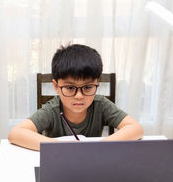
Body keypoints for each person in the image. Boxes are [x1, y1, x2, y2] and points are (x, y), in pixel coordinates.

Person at [8, 44, 143, 151]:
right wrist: (61, 147)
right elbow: (15, 134)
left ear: (97, 84)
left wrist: (101, 146)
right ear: (56, 86)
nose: (79, 96)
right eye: (70, 88)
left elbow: (136, 128)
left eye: (88, 87)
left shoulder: (100, 104)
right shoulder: (53, 109)